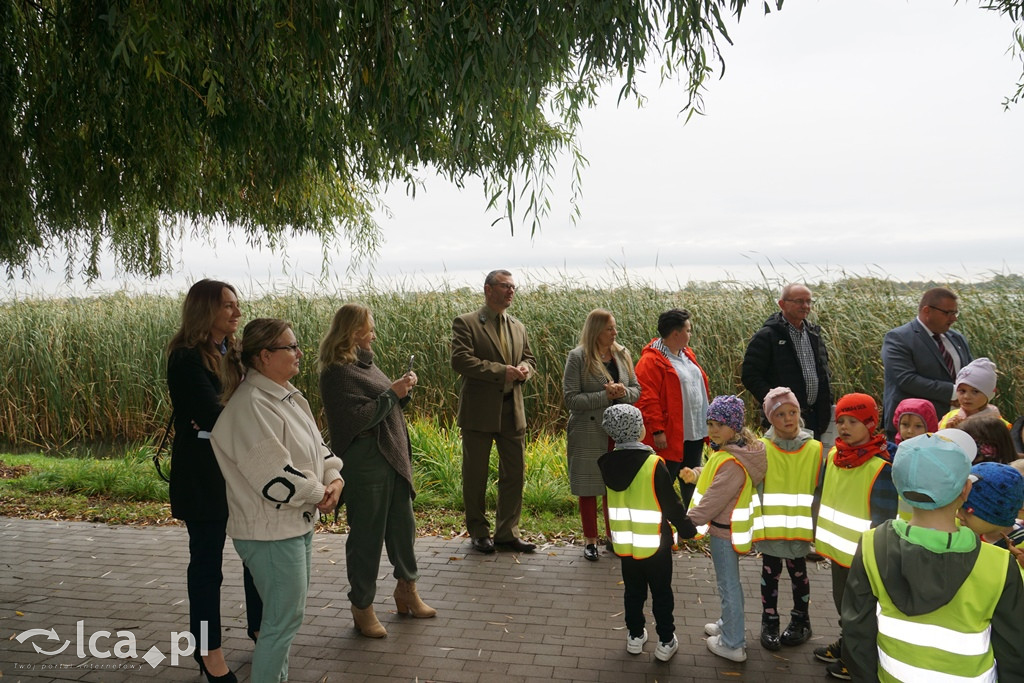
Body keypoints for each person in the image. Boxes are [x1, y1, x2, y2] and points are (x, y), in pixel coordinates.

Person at [211, 319, 344, 683]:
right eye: (292, 347)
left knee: (285, 620)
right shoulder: (250, 405)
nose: (299, 353)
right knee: (280, 623)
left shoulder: (286, 395)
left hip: (292, 525)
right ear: (265, 356)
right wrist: (321, 494)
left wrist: (334, 477)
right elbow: (273, 475)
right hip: (268, 532)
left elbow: (318, 449)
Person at [842, 432, 1024, 681]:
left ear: (898, 485)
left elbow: (856, 634)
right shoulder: (1000, 565)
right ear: (966, 490)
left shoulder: (872, 545)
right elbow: (1013, 650)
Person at [318, 304, 436, 639]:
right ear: (353, 331)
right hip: (365, 459)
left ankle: (407, 591)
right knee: (367, 536)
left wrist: (401, 392)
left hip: (391, 456)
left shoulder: (365, 364)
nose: (373, 334)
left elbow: (385, 403)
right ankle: (362, 606)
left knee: (403, 525)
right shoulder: (337, 372)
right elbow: (355, 419)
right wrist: (392, 394)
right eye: (369, 328)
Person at [166, 278, 262, 683]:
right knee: (207, 567)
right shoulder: (186, 358)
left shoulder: (236, 353)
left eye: (236, 304)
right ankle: (209, 652)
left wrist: (227, 414)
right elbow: (214, 417)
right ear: (206, 310)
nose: (237, 312)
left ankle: (262, 631)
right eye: (228, 306)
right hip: (204, 478)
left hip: (240, 473)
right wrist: (226, 414)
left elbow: (255, 403)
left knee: (257, 557)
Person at [597, 404, 696, 662]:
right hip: (655, 544)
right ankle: (665, 640)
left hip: (626, 544)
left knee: (633, 591)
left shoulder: (607, 464)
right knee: (661, 592)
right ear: (639, 430)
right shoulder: (653, 464)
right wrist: (687, 528)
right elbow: (671, 504)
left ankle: (634, 636)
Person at [451, 269, 538, 554]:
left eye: (513, 287)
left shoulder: (518, 326)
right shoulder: (466, 323)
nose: (511, 291)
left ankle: (506, 533)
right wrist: (502, 372)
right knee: (475, 474)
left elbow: (529, 359)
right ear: (488, 289)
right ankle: (478, 531)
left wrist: (525, 370)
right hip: (479, 412)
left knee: (514, 474)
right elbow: (461, 360)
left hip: (512, 411)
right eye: (505, 286)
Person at [813, 393, 898, 680]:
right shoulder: (834, 455)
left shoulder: (880, 467)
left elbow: (885, 517)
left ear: (871, 424)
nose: (845, 427)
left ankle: (856, 657)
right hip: (838, 550)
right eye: (840, 421)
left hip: (865, 556)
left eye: (853, 421)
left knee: (861, 609)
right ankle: (848, 641)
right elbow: (821, 493)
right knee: (842, 602)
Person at [680, 395, 767, 664]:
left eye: (719, 424)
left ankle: (732, 643)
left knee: (728, 585)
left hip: (723, 532)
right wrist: (696, 474)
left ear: (735, 427)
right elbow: (712, 473)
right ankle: (728, 623)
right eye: (709, 423)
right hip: (726, 530)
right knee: (729, 584)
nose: (713, 430)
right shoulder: (732, 453)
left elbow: (713, 498)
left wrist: (687, 523)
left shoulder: (731, 462)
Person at [563, 309, 641, 561]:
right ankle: (590, 540)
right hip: (588, 431)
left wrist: (621, 392)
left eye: (615, 328)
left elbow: (636, 390)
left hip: (619, 435)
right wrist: (604, 396)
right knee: (588, 487)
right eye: (609, 328)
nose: (615, 333)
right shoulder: (577, 358)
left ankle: (613, 537)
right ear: (596, 330)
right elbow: (571, 399)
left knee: (614, 487)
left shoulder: (623, 354)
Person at [756, 387, 825, 651]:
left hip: (799, 530)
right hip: (771, 530)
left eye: (792, 412)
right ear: (771, 419)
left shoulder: (815, 449)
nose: (788, 418)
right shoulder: (761, 449)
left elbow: (821, 493)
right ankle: (769, 620)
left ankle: (801, 620)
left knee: (799, 576)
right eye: (781, 414)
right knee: (769, 575)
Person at [634, 308, 710, 505]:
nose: (691, 334)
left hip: (694, 430)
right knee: (664, 481)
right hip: (670, 433)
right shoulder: (651, 361)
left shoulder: (687, 355)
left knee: (692, 478)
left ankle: (692, 524)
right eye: (688, 330)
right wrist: (657, 429)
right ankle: (663, 525)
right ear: (677, 333)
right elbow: (647, 398)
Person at [741, 283, 832, 439]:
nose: (805, 306)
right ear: (782, 304)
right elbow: (750, 375)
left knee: (812, 463)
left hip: (814, 419)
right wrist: (776, 401)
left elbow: (824, 374)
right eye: (799, 301)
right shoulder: (767, 336)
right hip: (782, 420)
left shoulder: (814, 334)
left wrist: (826, 408)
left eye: (808, 301)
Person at [881, 286, 972, 440]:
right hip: (912, 428)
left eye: (955, 313)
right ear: (927, 311)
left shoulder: (957, 338)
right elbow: (906, 380)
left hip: (956, 425)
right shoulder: (898, 338)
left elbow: (970, 373)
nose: (953, 318)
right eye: (948, 313)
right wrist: (955, 392)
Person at [957, 460, 1024, 548]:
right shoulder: (958, 528)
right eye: (957, 506)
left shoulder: (1019, 550)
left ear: (998, 514)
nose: (958, 515)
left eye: (967, 510)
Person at [937, 357, 1011, 429]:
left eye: (975, 391)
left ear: (989, 394)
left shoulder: (1001, 426)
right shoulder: (948, 418)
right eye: (962, 391)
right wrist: (949, 432)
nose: (966, 396)